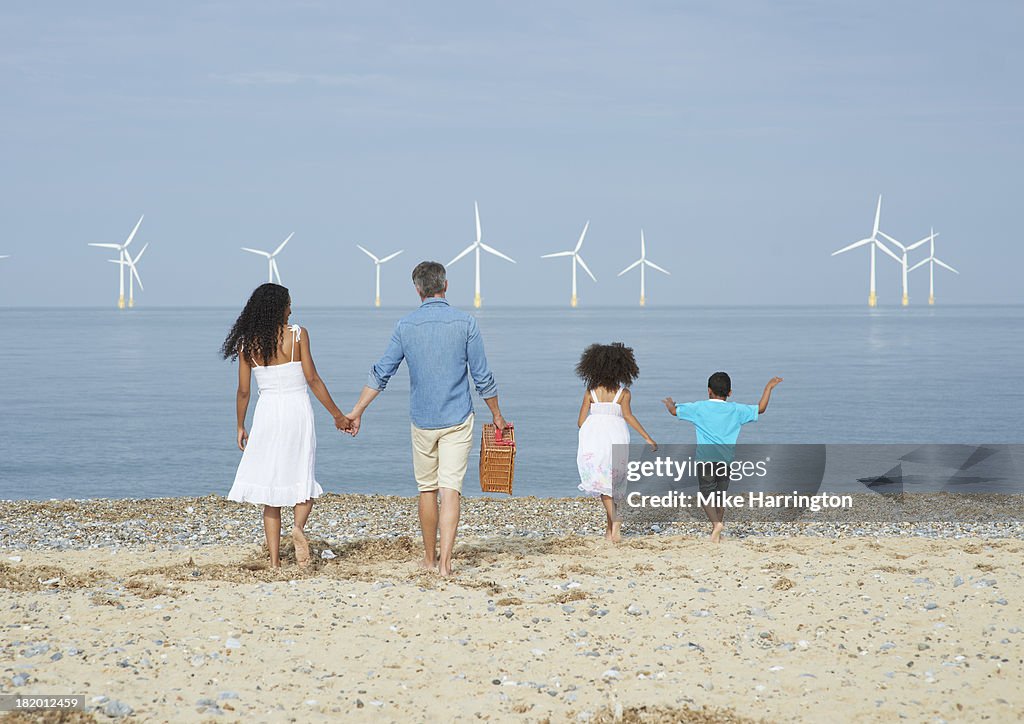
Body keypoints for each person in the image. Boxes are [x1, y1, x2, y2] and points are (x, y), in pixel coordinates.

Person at [346, 261, 508, 577]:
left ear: (417, 289)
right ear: (445, 286)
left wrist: (357, 411)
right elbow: (482, 376)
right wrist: (497, 415)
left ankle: (429, 560)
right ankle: (447, 565)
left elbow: (382, 372)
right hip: (458, 418)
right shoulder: (466, 323)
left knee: (427, 491)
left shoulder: (405, 327)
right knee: (450, 491)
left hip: (422, 420)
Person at [221, 283, 352, 568]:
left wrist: (240, 425)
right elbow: (313, 379)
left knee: (271, 490)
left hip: (267, 413)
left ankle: (275, 562)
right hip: (297, 411)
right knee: (301, 477)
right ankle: (298, 529)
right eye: (289, 304)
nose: (291, 309)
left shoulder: (247, 344)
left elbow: (243, 391)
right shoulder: (297, 334)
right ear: (279, 307)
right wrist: (337, 415)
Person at [662, 371, 783, 543]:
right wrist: (768, 387)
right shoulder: (736, 410)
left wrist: (670, 406)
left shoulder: (699, 408)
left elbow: (675, 412)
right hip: (725, 460)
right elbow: (761, 409)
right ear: (730, 392)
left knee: (706, 495)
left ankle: (716, 524)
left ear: (709, 391)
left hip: (705, 458)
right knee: (720, 495)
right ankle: (716, 532)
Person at [576, 342, 657, 543]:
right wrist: (647, 438)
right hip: (618, 435)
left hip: (595, 438)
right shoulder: (624, 393)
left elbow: (580, 422)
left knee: (602, 485)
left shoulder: (590, 392)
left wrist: (594, 422)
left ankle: (616, 521)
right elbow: (629, 417)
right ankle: (610, 531)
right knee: (615, 486)